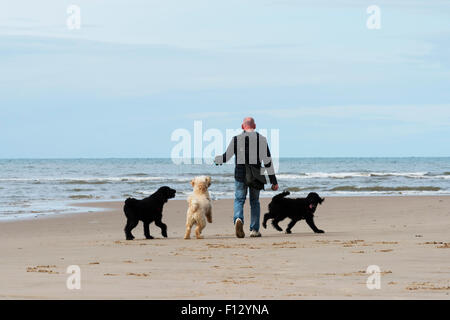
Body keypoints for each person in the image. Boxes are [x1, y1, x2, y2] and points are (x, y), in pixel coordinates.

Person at [214, 117, 278, 238]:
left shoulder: (236, 139)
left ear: (243, 126)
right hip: (256, 176)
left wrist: (217, 160)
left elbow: (226, 157)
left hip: (240, 175)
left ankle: (238, 219)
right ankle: (254, 230)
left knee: (239, 200)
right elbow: (267, 161)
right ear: (254, 126)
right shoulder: (262, 140)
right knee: (254, 202)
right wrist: (273, 181)